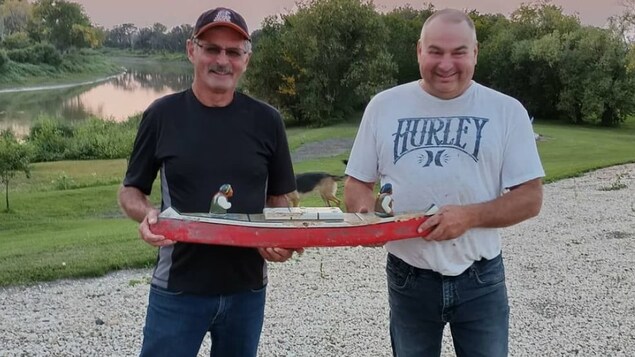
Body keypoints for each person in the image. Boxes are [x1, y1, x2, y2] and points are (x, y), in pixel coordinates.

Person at [344, 8, 544, 357]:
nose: (445, 63)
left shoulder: (506, 110)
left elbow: (530, 198)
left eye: (458, 52)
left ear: (475, 53)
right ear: (419, 51)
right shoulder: (383, 106)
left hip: (481, 278)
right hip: (409, 276)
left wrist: (469, 217)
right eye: (435, 51)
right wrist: (368, 222)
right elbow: (358, 183)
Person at [117, 7, 300, 357]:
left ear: (246, 58)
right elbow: (130, 191)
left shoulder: (267, 121)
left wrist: (282, 239)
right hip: (178, 289)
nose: (222, 61)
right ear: (191, 50)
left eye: (233, 52)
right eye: (211, 48)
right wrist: (148, 214)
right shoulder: (161, 115)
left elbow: (279, 200)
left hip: (246, 290)